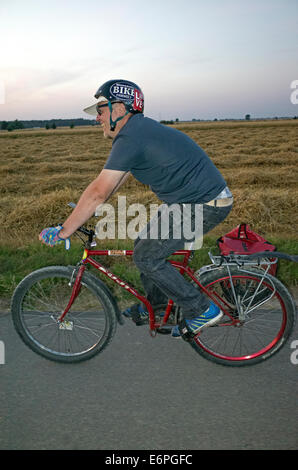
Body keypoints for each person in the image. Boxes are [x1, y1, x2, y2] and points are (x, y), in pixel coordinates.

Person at [39, 79, 233, 338]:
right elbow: (113, 183)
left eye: (100, 110)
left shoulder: (131, 137)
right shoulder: (138, 132)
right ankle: (157, 304)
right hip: (191, 201)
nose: (97, 118)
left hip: (204, 203)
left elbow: (98, 192)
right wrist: (86, 211)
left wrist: (64, 230)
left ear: (119, 108)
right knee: (145, 243)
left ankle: (201, 310)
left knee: (147, 257)